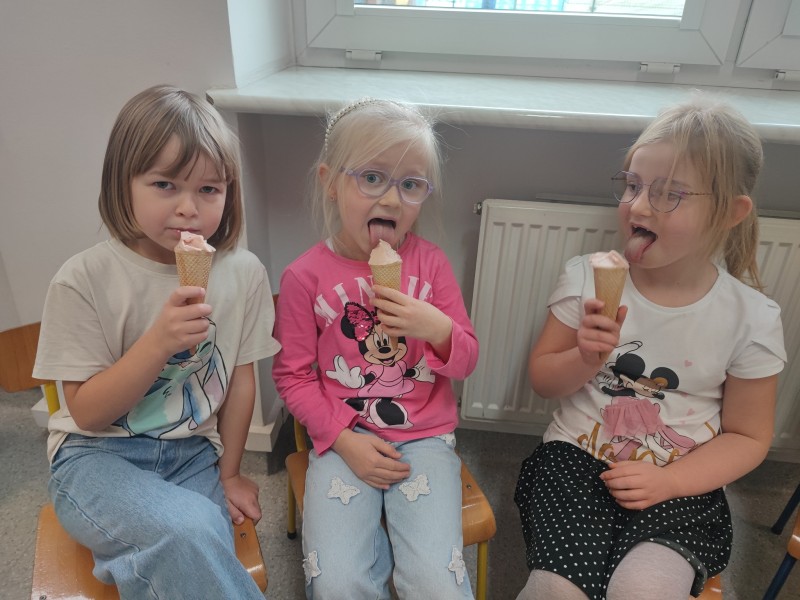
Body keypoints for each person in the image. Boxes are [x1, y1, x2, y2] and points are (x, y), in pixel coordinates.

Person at [514, 96, 786, 600]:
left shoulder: (752, 319)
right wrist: (585, 357)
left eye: (669, 194)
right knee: (556, 590)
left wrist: (671, 482)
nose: (638, 207)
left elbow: (749, 436)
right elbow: (543, 379)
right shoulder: (585, 278)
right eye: (633, 185)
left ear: (730, 212)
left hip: (682, 480)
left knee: (643, 590)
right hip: (575, 460)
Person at [33, 85, 280, 599]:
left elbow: (240, 383)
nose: (189, 208)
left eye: (209, 189)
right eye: (165, 184)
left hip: (192, 452)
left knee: (196, 539)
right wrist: (157, 343)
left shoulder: (244, 274)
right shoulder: (83, 280)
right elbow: (86, 414)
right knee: (190, 530)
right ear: (122, 182)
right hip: (94, 458)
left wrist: (230, 473)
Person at [272, 97, 479, 599]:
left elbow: (467, 360)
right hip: (343, 437)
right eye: (371, 178)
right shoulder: (303, 277)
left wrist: (437, 328)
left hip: (425, 439)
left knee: (436, 582)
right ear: (331, 181)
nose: (391, 199)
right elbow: (293, 377)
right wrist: (343, 439)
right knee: (337, 581)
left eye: (410, 184)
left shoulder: (431, 266)